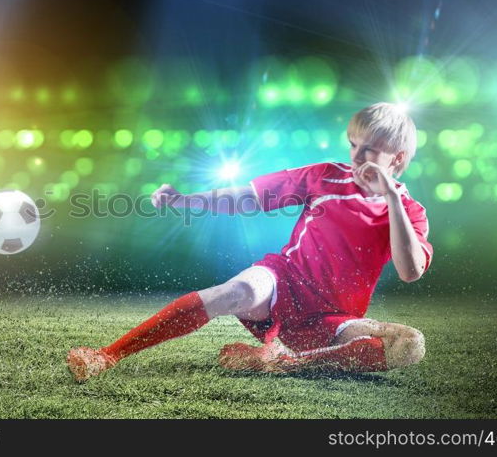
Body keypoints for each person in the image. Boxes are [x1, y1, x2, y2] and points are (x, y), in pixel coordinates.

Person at [67, 102, 432, 381]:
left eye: (368, 150)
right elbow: (248, 197)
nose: (355, 157)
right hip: (283, 282)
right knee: (232, 292)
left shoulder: (411, 212)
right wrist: (185, 200)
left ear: (397, 158)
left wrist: (391, 196)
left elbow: (410, 271)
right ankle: (107, 355)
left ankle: (280, 363)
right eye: (353, 145)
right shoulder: (325, 176)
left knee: (409, 345)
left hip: (332, 316)